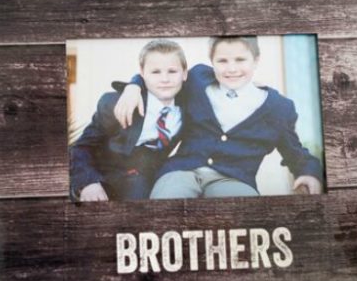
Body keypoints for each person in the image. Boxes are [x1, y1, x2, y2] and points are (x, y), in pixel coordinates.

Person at [114, 36, 323, 200]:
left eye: (240, 60)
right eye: (222, 61)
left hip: (235, 178)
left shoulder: (279, 108)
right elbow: (161, 78)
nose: (231, 69)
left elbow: (295, 151)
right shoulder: (197, 78)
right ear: (212, 61)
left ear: (256, 60)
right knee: (164, 209)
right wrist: (134, 86)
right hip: (181, 171)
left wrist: (309, 173)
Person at [70, 39, 187, 202]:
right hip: (108, 179)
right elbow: (82, 147)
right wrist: (89, 182)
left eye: (172, 71)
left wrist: (135, 84)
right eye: (155, 72)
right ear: (142, 73)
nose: (165, 79)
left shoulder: (190, 103)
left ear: (184, 73)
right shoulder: (117, 104)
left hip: (152, 177)